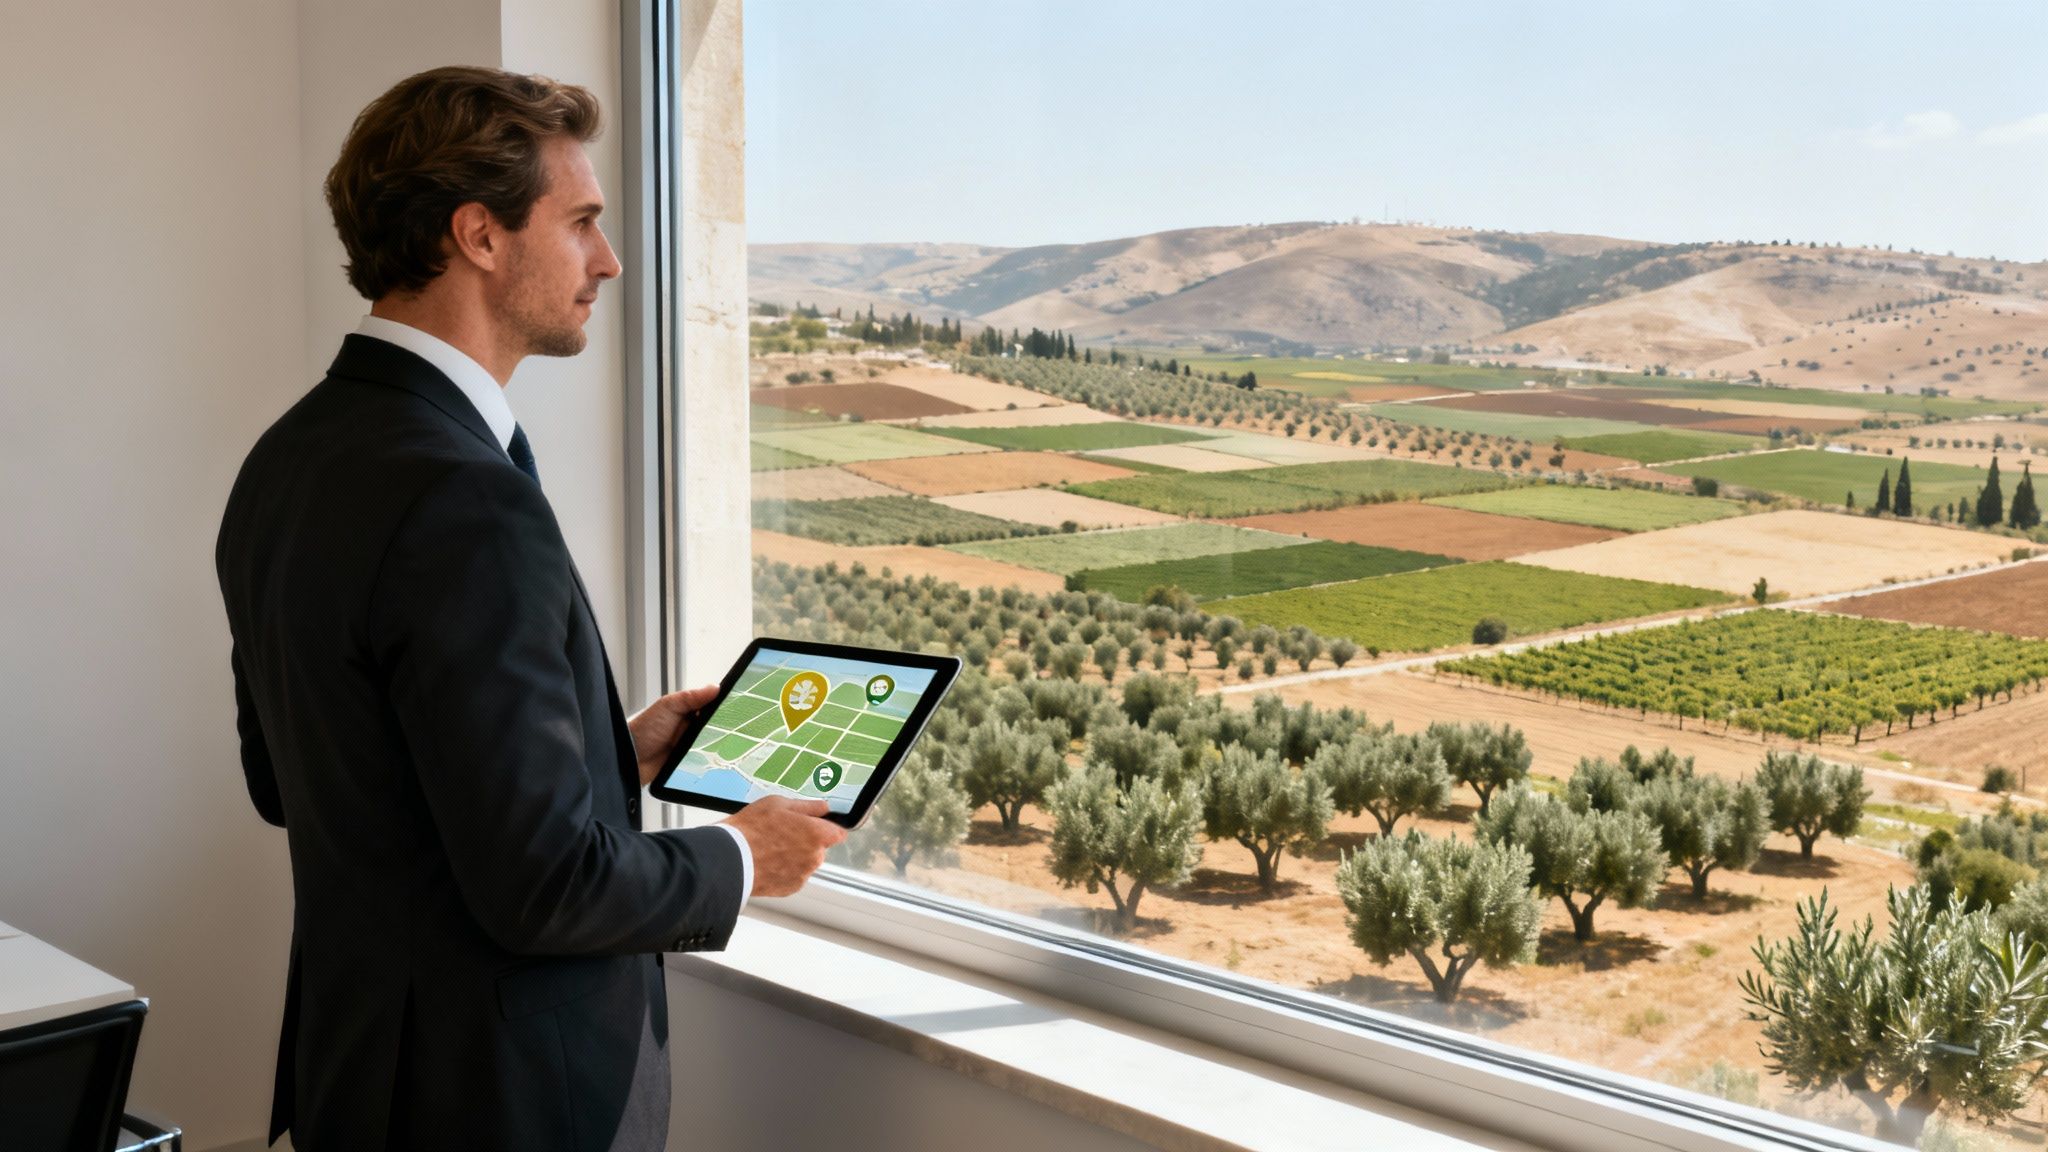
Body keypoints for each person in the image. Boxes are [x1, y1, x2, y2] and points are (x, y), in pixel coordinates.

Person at [215, 65, 844, 1151]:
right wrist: (743, 858)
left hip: (362, 1077)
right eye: (585, 222)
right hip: (500, 1102)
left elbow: (300, 780)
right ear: (480, 236)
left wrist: (607, 753)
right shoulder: (465, 496)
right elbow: (544, 889)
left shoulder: (290, 457)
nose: (606, 260)